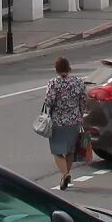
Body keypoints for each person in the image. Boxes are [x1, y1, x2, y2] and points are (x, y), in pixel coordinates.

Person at [39, 56, 87, 191]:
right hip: (74, 121)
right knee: (70, 150)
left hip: (58, 122)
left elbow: (49, 101)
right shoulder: (78, 82)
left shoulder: (53, 83)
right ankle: (65, 175)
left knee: (57, 151)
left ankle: (65, 174)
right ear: (69, 68)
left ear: (56, 69)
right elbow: (83, 100)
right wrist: (80, 114)